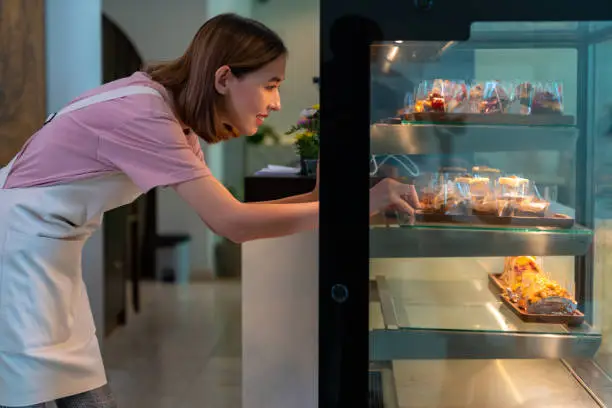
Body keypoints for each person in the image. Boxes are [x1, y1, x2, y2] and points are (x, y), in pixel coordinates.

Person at [0, 13, 419, 408]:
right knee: (38, 391)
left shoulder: (172, 115)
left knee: (80, 388)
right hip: (16, 250)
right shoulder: (146, 113)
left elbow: (231, 212)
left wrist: (320, 197)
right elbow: (232, 224)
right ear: (223, 78)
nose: (276, 102)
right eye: (270, 84)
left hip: (45, 251)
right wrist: (359, 206)